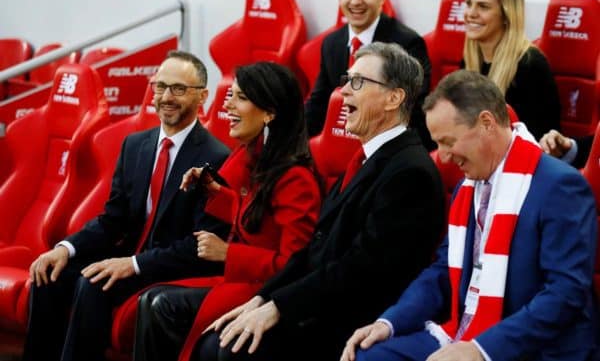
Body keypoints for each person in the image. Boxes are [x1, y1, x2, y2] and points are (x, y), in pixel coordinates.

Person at [194, 42, 445, 361]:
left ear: (393, 98)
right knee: (220, 339)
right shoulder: (367, 159)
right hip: (324, 304)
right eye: (345, 80)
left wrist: (280, 307)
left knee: (228, 349)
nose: (344, 92)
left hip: (357, 323)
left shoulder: (410, 172)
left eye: (358, 82)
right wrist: (262, 299)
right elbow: (316, 249)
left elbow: (362, 268)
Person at [341, 70, 598, 361]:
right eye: (437, 144)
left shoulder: (559, 186)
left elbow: (565, 294)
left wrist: (480, 349)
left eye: (449, 142)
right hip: (465, 329)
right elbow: (442, 271)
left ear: (486, 123)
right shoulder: (468, 185)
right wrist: (389, 322)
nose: (444, 156)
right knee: (369, 355)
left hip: (533, 345)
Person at [23, 51, 231, 361]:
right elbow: (112, 220)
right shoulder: (136, 144)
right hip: (129, 256)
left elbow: (197, 247)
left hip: (168, 266)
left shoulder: (217, 157)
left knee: (92, 284)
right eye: (159, 87)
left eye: (178, 88)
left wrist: (132, 265)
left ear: (202, 96)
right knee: (50, 274)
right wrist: (64, 249)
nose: (166, 97)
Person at [132, 61, 322, 361]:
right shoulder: (256, 157)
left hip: (262, 290)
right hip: (237, 282)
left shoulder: (295, 177)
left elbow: (293, 263)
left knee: (160, 304)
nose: (228, 105)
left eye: (241, 98)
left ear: (270, 113)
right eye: (230, 95)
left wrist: (227, 253)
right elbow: (253, 214)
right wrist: (214, 191)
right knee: (151, 301)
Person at [304, 0, 433, 150]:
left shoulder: (407, 44)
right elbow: (318, 105)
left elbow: (411, 111)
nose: (355, 1)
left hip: (386, 148)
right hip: (339, 143)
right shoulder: (332, 43)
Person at [462, 0, 560, 140]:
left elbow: (539, 138)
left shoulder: (530, 65)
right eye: (469, 4)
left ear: (507, 15)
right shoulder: (470, 58)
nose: (471, 13)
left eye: (483, 6)